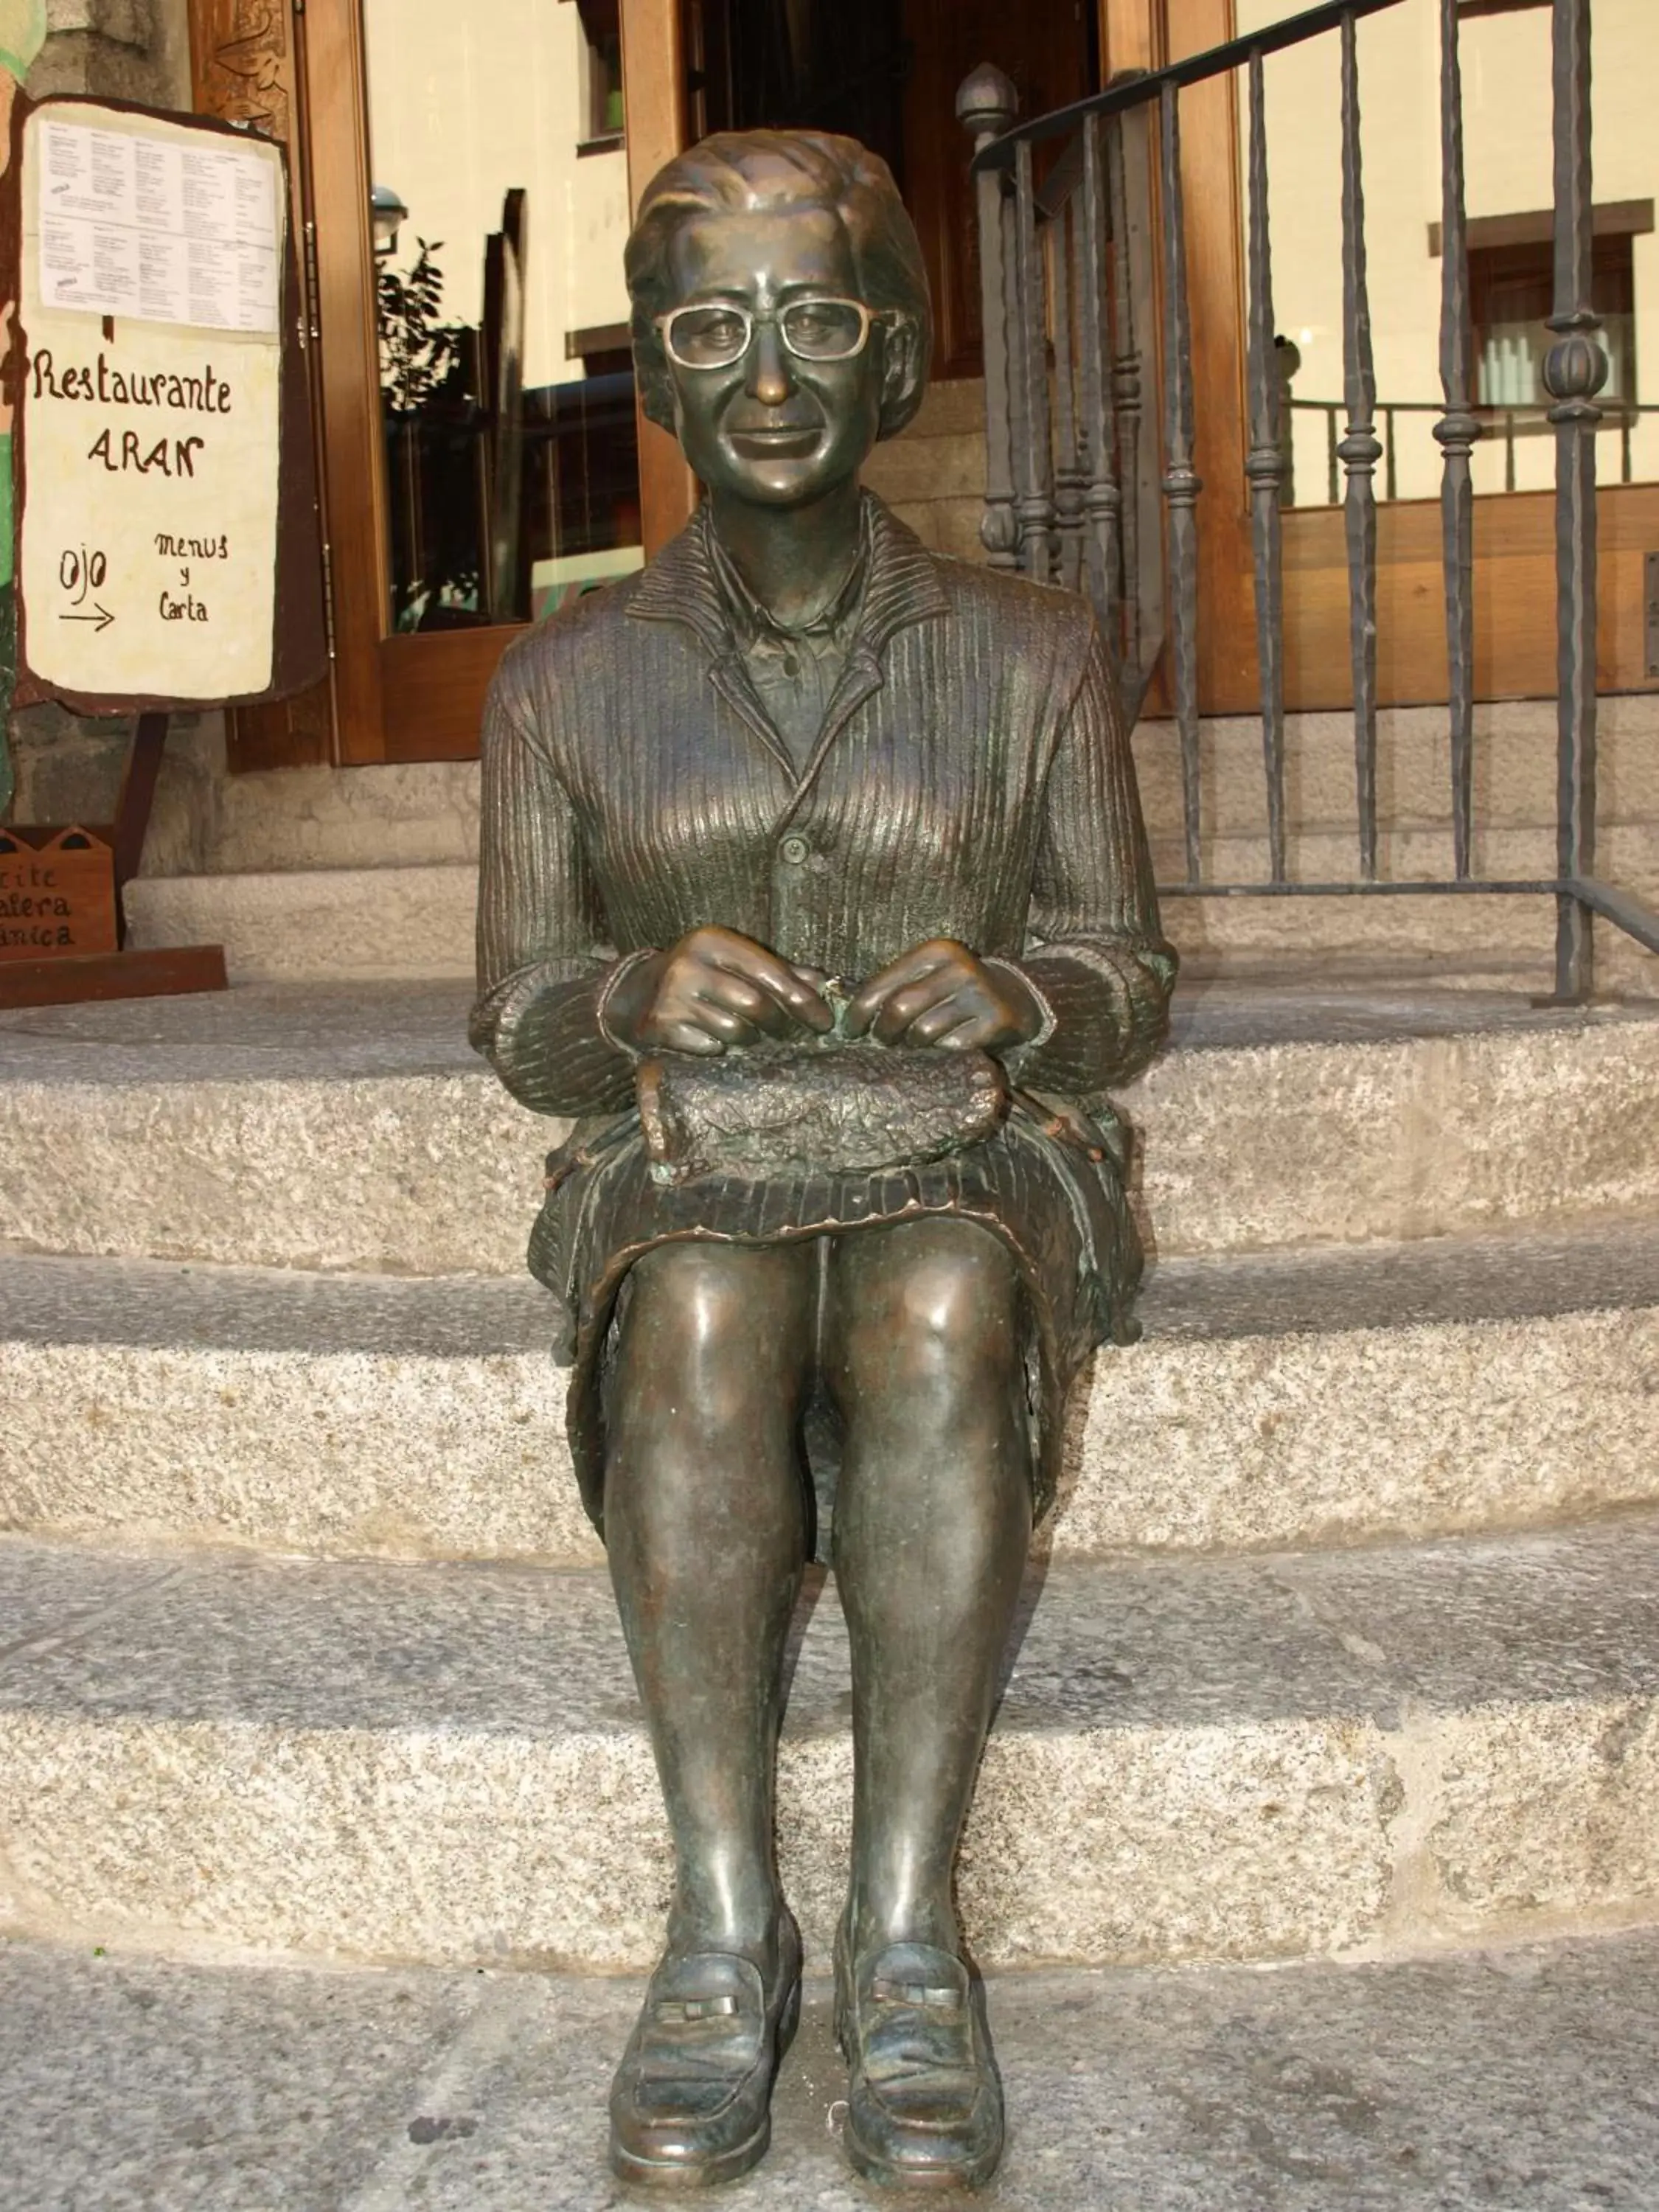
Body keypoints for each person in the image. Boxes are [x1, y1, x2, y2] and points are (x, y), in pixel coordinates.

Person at [471, 128, 1175, 2193]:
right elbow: (517, 1019)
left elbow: (1125, 973)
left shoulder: (1037, 655)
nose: (765, 371)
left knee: (941, 1301)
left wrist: (1030, 998)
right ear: (658, 381)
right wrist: (621, 1006)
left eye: (817, 319)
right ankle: (718, 1925)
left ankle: (900, 1937)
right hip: (687, 1157)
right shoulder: (560, 687)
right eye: (709, 327)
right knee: (699, 1315)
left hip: (964, 1147)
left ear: (893, 364)